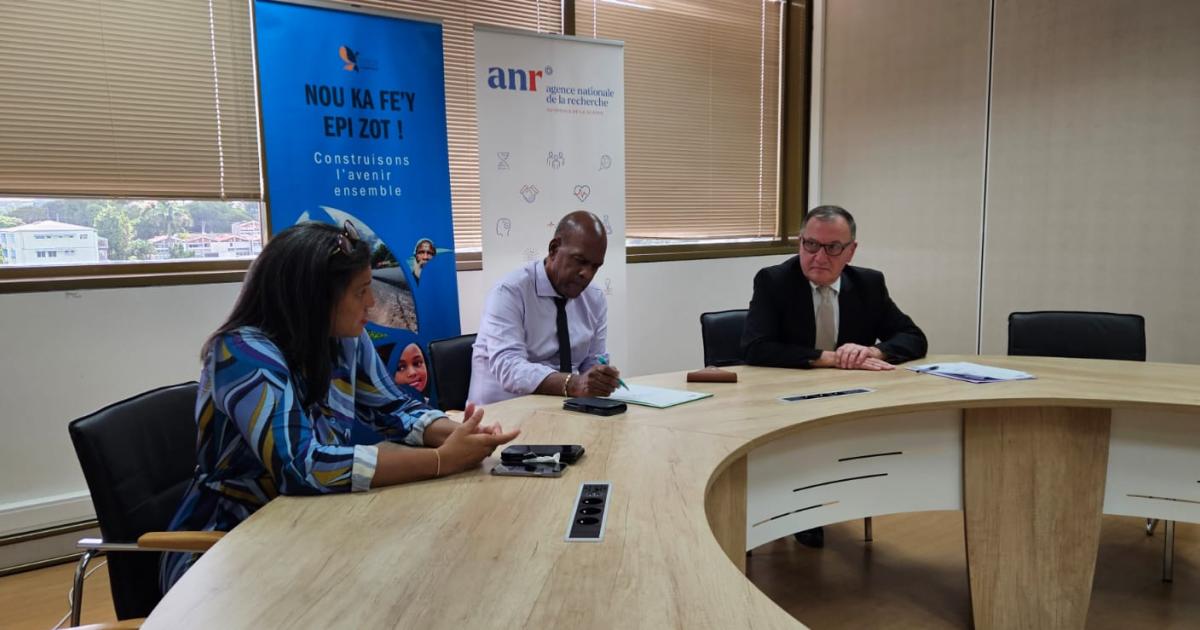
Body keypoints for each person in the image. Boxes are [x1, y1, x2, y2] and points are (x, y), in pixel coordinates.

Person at [160, 221, 518, 592]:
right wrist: (441, 460)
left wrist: (463, 435)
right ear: (316, 298)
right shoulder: (242, 354)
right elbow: (301, 466)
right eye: (361, 291)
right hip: (229, 545)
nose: (372, 303)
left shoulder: (344, 337)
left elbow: (393, 409)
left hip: (313, 524)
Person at [741, 205, 926, 548]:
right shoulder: (774, 281)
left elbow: (913, 337)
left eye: (832, 248)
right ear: (800, 242)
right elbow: (756, 347)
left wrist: (872, 352)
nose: (819, 256)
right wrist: (831, 358)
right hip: (785, 400)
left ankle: (834, 499)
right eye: (811, 244)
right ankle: (800, 511)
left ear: (851, 251)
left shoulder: (869, 284)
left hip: (847, 398)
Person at [468, 211, 621, 405]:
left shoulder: (594, 298)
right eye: (580, 261)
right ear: (554, 249)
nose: (587, 274)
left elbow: (593, 362)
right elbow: (509, 368)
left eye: (595, 267)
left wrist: (600, 377)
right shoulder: (509, 292)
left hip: (561, 411)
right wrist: (573, 384)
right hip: (500, 413)